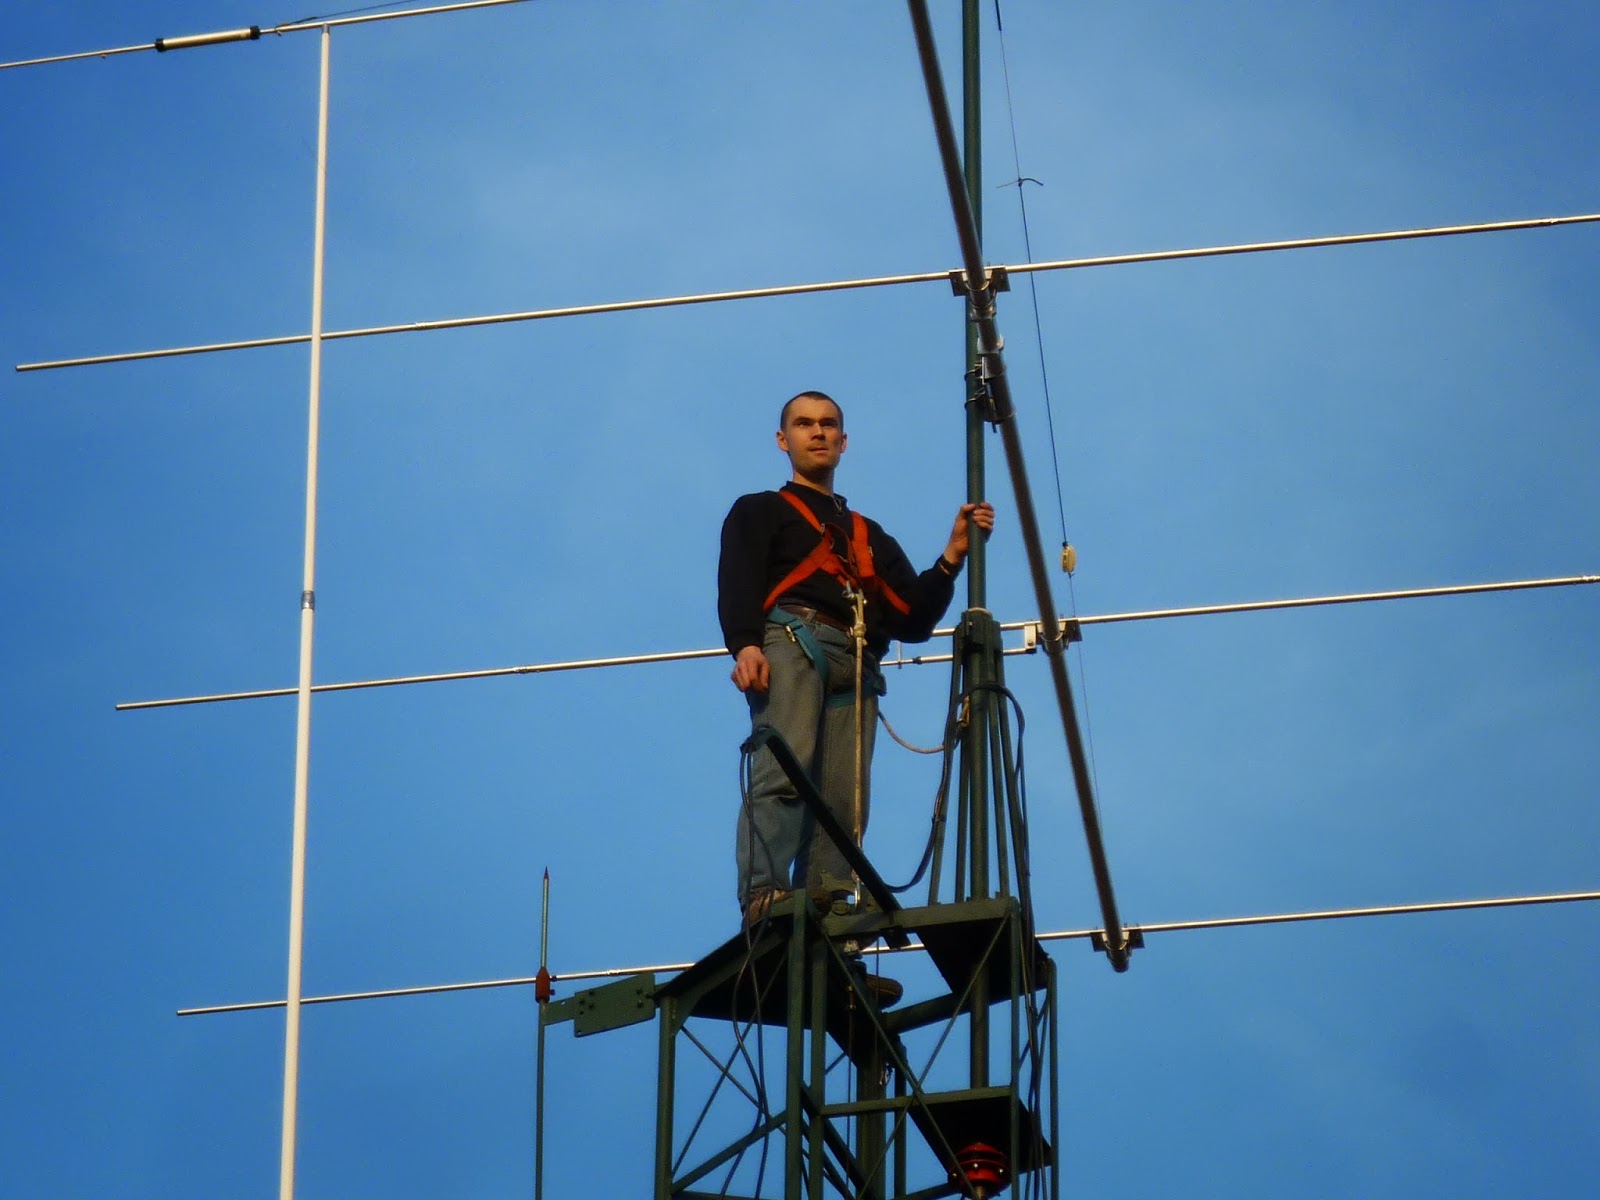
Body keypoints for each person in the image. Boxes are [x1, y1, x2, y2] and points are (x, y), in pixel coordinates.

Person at [718, 390, 995, 928]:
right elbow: (739, 579)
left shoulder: (868, 535)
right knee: (783, 772)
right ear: (783, 440)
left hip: (858, 660)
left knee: (845, 801)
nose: (817, 432)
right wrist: (745, 644)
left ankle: (828, 909)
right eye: (804, 424)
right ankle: (764, 895)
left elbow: (911, 619)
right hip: (795, 640)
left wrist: (952, 555)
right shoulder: (761, 510)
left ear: (843, 442)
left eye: (828, 425)